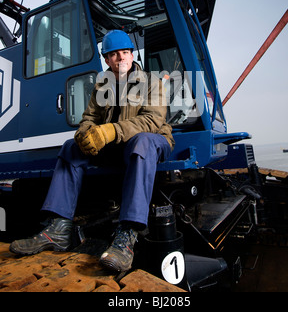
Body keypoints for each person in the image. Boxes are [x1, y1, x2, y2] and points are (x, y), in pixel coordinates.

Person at [9, 29, 174, 273]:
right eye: (114, 54)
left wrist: (108, 132)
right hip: (116, 148)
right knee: (70, 148)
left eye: (126, 53)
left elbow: (151, 122)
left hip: (152, 142)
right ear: (106, 59)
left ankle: (127, 236)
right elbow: (89, 118)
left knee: (143, 142)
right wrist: (84, 134)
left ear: (132, 54)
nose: (121, 58)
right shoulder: (102, 86)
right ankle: (58, 229)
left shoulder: (152, 83)